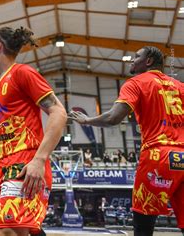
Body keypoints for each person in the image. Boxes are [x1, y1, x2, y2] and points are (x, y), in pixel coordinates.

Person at [69, 46, 184, 236]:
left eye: (136, 56)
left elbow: (113, 118)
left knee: (143, 226)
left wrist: (87, 120)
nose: (132, 59)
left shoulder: (136, 83)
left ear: (148, 62)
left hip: (158, 156)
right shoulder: (180, 86)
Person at [0, 27, 67, 236]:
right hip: (3, 169)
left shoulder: (22, 72)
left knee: (9, 232)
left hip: (25, 165)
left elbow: (59, 112)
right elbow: (2, 136)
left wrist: (39, 160)